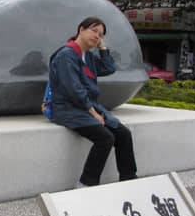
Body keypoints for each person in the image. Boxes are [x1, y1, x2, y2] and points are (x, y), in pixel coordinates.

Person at [49, 17, 138, 187]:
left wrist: (102, 48)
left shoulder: (87, 56)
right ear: (81, 29)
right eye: (94, 30)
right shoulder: (66, 55)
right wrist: (94, 113)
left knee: (124, 135)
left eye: (101, 34)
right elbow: (74, 90)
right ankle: (86, 182)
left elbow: (109, 68)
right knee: (105, 138)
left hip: (86, 107)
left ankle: (129, 179)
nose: (97, 36)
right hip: (69, 109)